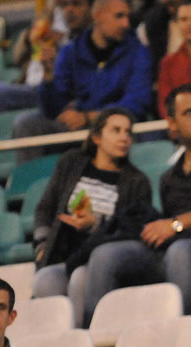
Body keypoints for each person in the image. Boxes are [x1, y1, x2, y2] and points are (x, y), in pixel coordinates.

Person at [82, 84, 191, 319]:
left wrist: (175, 225)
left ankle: (183, 330)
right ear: (172, 124)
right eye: (189, 112)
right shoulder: (168, 178)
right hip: (171, 248)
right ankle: (93, 337)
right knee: (105, 255)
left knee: (181, 251)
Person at [31, 108, 154, 325]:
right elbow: (45, 208)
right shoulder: (71, 163)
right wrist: (41, 244)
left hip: (100, 260)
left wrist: (95, 225)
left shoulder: (137, 181)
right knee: (45, 279)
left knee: (80, 277)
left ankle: (85, 338)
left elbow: (132, 230)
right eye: (116, 130)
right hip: (67, 255)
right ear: (97, 137)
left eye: (128, 132)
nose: (124, 138)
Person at [12, 0, 153, 163]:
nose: (126, 24)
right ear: (97, 16)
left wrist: (90, 117)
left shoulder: (139, 53)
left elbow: (137, 103)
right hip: (78, 130)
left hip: (115, 127)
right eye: (119, 16)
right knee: (27, 124)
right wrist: (48, 76)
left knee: (122, 127)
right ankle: (31, 179)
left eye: (127, 17)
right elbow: (53, 110)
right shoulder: (70, 52)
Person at [0, 0, 93, 120]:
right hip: (34, 86)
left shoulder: (89, 36)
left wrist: (56, 54)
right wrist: (30, 37)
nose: (69, 10)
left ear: (90, 8)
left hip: (59, 91)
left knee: (2, 100)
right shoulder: (48, 20)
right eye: (64, 5)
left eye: (76, 4)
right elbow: (18, 58)